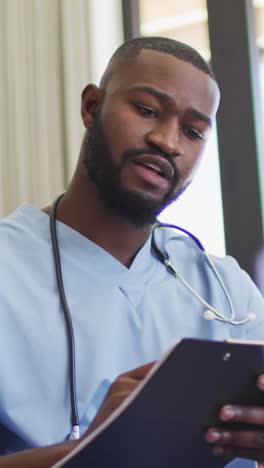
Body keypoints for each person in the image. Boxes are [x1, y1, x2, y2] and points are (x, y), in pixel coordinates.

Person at [0, 36, 264, 468]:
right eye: (146, 110)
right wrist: (93, 454)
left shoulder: (227, 290)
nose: (168, 142)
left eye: (193, 131)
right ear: (91, 107)